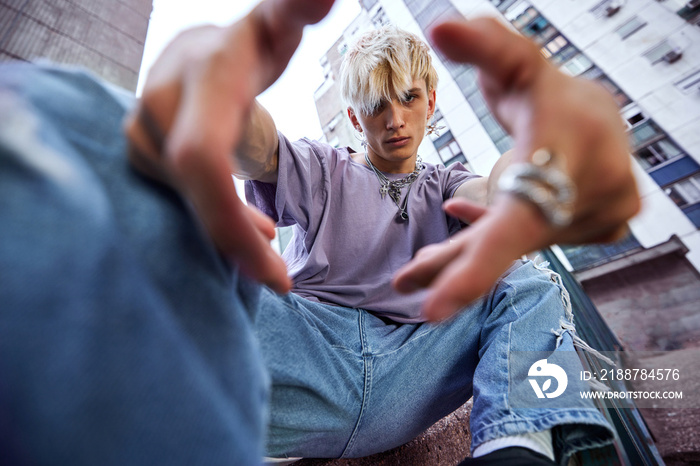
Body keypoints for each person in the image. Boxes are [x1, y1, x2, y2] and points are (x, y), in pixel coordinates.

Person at [0, 0, 639, 465]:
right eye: (376, 105)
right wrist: (216, 96)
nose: (394, 119)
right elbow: (260, 147)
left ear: (430, 104)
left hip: (413, 371)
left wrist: (538, 169)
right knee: (85, 117)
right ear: (356, 115)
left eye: (408, 99)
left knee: (529, 278)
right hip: (299, 355)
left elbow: (493, 194)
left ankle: (516, 448)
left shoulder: (447, 185)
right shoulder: (326, 170)